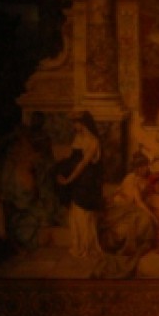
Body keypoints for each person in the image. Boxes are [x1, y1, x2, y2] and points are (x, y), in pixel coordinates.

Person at [57, 110, 104, 258]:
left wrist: (68, 180)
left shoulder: (93, 141)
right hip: (76, 178)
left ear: (83, 123)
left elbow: (82, 164)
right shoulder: (78, 137)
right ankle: (77, 246)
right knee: (75, 214)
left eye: (76, 122)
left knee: (83, 214)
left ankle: (86, 248)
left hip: (86, 181)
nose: (74, 125)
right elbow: (73, 158)